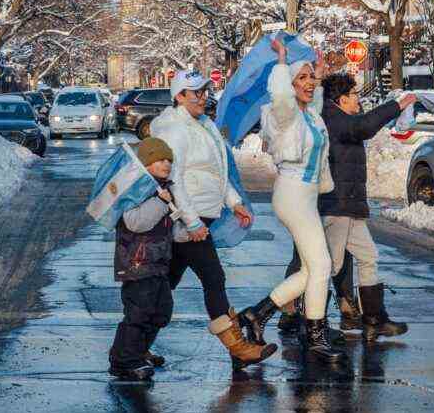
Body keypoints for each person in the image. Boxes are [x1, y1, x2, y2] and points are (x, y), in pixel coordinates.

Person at [150, 70, 276, 370]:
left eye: (205, 91)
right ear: (179, 96)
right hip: (187, 222)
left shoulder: (202, 124)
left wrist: (234, 203)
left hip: (201, 217)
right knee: (213, 279)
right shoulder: (174, 130)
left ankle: (134, 346)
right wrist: (192, 222)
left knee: (164, 286)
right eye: (196, 92)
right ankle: (238, 349)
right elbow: (174, 178)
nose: (203, 97)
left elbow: (217, 172)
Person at [239, 39, 346, 364]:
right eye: (302, 79)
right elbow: (283, 96)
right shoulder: (282, 113)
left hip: (307, 195)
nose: (309, 84)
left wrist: (319, 71)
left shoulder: (309, 116)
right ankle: (315, 336)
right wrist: (283, 62)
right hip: (292, 193)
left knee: (312, 269)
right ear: (288, 83)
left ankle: (258, 314)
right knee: (323, 265)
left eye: (310, 78)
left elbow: (315, 101)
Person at [318, 73, 416, 342]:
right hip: (337, 206)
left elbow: (360, 125)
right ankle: (302, 318)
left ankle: (374, 320)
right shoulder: (332, 119)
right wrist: (397, 105)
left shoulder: (338, 117)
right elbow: (363, 127)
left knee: (368, 256)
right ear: (341, 100)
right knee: (329, 266)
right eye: (354, 96)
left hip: (348, 206)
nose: (358, 101)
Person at [108, 137, 177, 381]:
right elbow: (135, 222)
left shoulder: (164, 187)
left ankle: (138, 351)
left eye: (169, 159)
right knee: (139, 313)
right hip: (137, 262)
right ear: (146, 163)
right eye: (160, 160)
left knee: (161, 311)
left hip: (157, 263)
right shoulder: (138, 188)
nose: (166, 163)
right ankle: (123, 361)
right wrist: (161, 202)